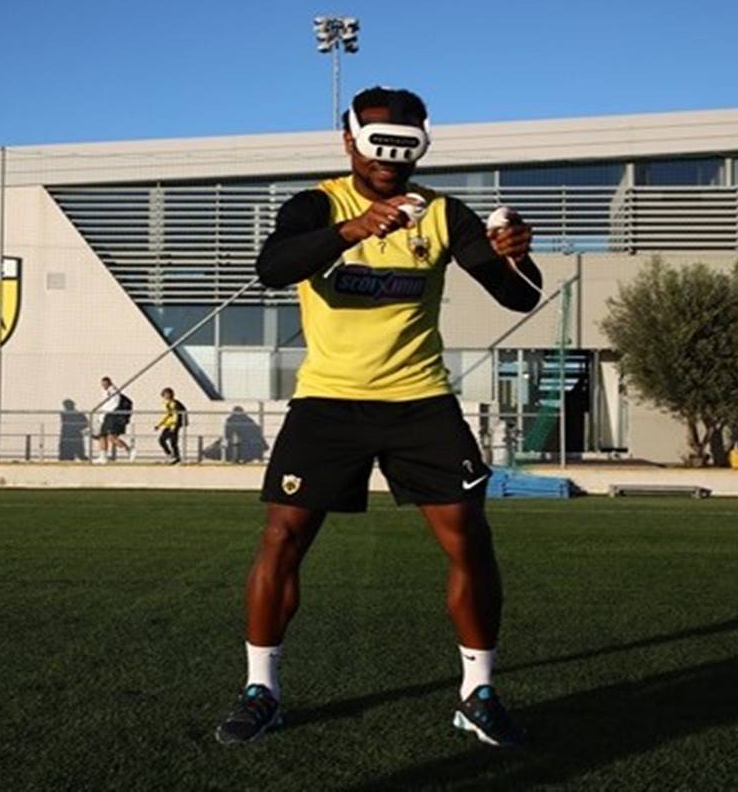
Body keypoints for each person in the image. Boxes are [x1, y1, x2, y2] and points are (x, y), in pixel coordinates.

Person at [214, 87, 542, 748]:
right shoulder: (316, 205)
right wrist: (351, 231)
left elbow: (518, 297)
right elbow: (272, 267)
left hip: (420, 400)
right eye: (377, 145)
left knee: (469, 539)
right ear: (349, 141)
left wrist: (516, 253)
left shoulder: (444, 214)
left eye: (405, 147)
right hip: (327, 400)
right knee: (281, 539)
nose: (389, 160)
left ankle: (478, 692)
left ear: (422, 145)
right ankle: (261, 691)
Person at [93, 376, 136, 464]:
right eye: (103, 384)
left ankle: (129, 449)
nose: (104, 386)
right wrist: (101, 417)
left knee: (111, 438)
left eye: (105, 384)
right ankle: (103, 457)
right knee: (102, 436)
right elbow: (105, 405)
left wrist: (108, 414)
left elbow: (113, 404)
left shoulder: (113, 391)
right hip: (105, 416)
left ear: (110, 383)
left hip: (112, 416)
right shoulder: (105, 392)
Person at [154, 387, 187, 464]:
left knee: (173, 442)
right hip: (168, 425)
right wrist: (159, 425)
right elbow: (167, 415)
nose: (166, 396)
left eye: (167, 394)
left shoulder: (174, 404)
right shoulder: (167, 403)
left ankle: (176, 457)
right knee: (162, 440)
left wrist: (174, 426)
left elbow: (176, 415)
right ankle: (172, 455)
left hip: (173, 425)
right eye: (165, 394)